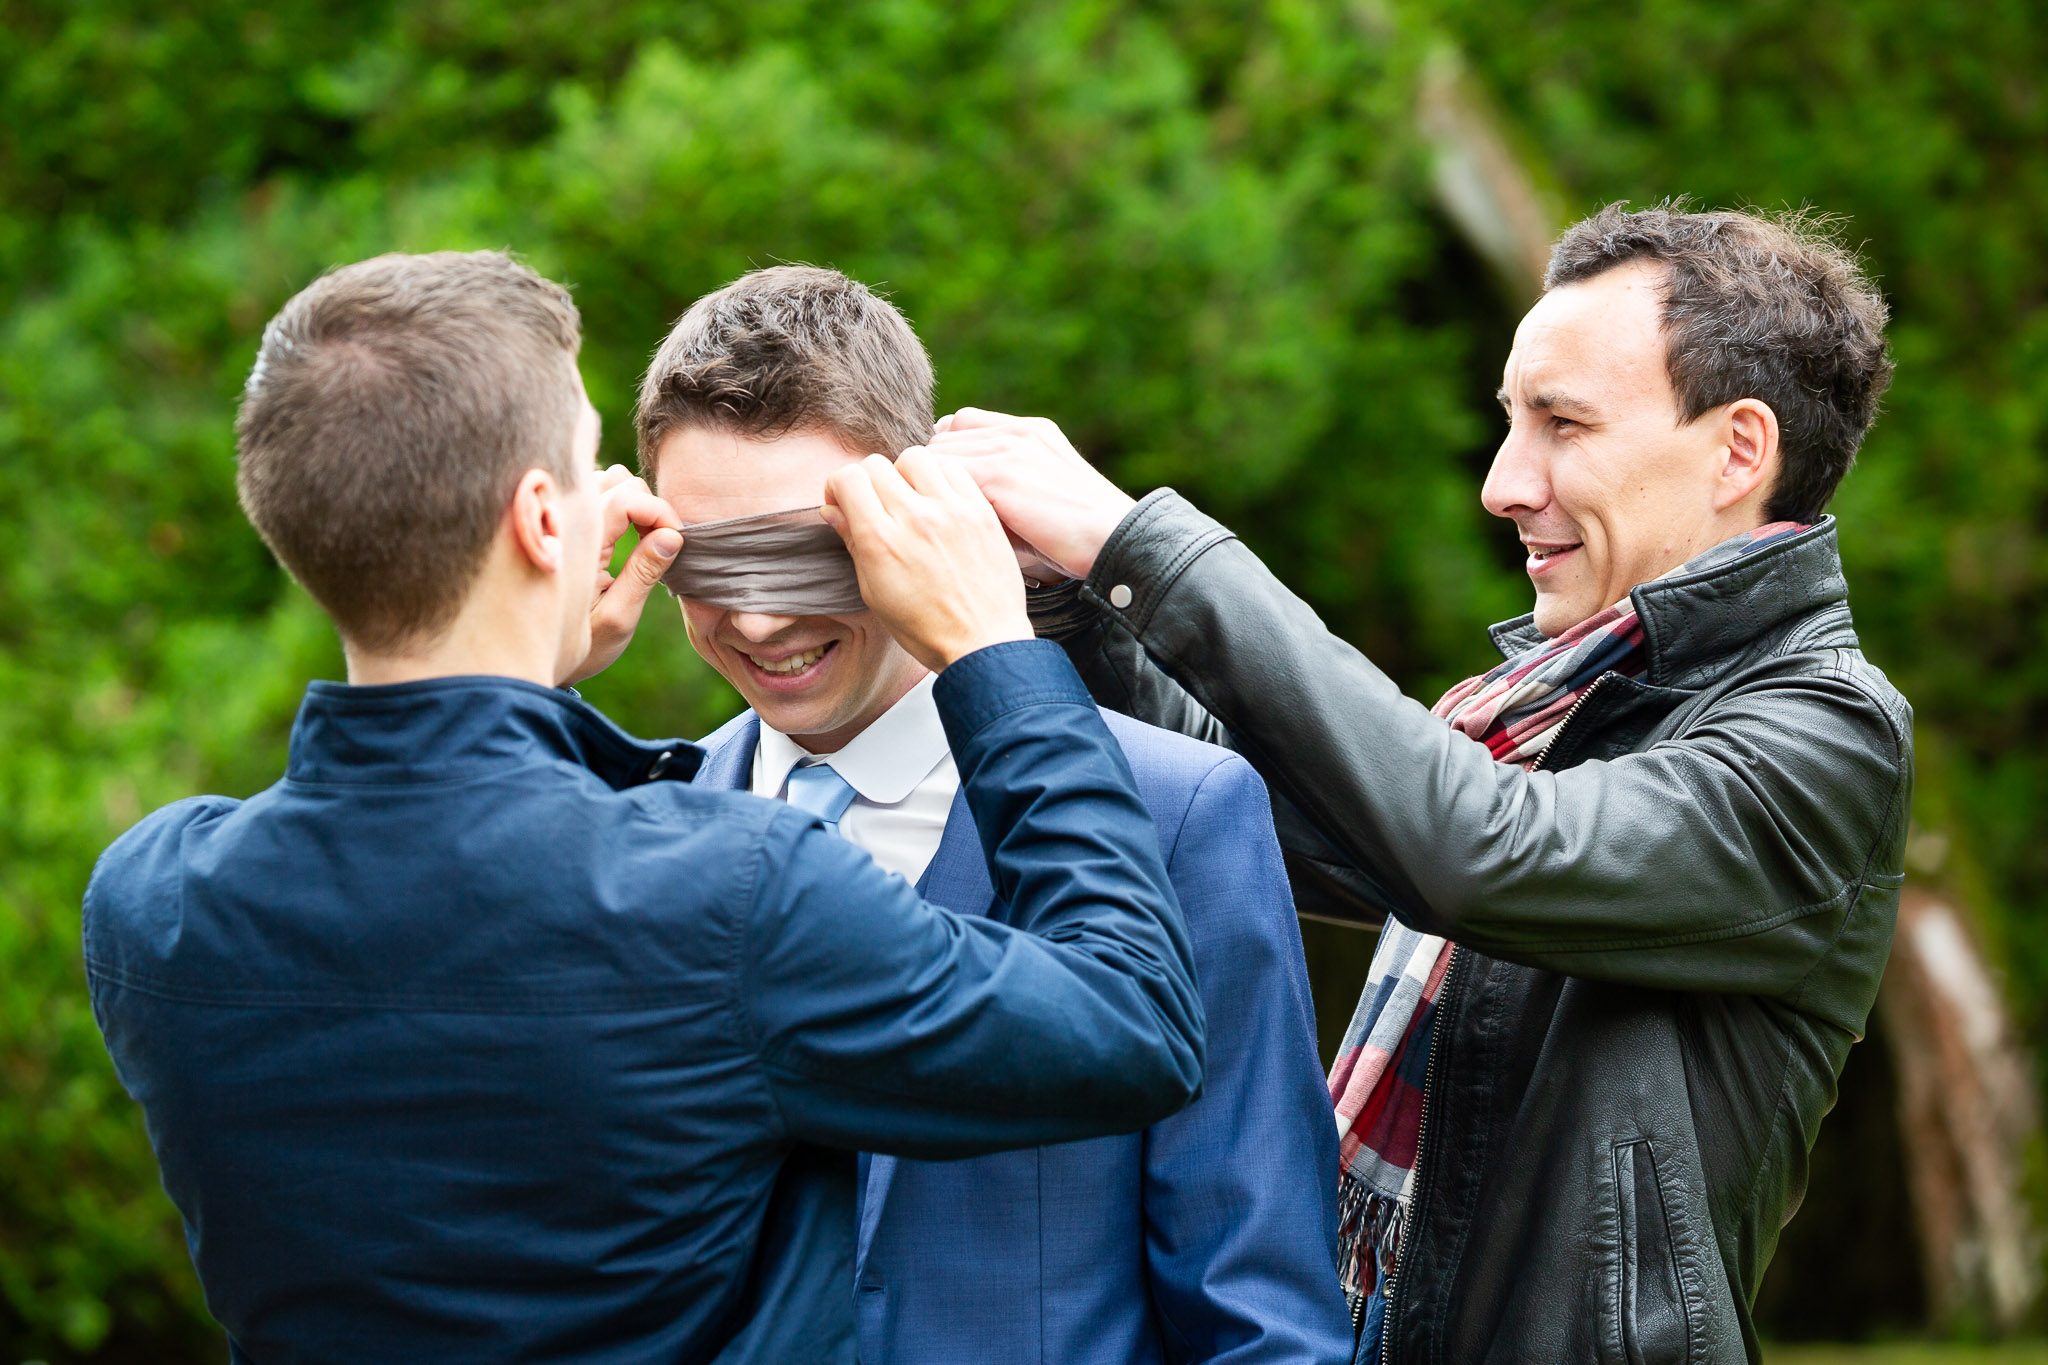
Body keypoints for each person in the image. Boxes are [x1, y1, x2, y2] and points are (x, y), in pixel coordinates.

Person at [81, 250, 1209, 1364]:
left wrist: (519, 672)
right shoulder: (731, 893)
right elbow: (1131, 1017)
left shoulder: (150, 905)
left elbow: (441, 875)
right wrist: (990, 646)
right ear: (539, 519)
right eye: (586, 467)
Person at [935, 203, 1913, 1364]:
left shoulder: (1827, 731)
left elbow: (1476, 850)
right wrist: (1065, 601)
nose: (1503, 483)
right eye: (1511, 423)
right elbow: (1252, 812)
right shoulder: (1553, 705)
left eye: (1561, 425)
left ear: (1736, 450)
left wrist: (1141, 546)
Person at [636, 265, 1352, 1364]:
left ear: (917, 517)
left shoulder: (1175, 816)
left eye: (803, 550)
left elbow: (1261, 1326)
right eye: (714, 560)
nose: (756, 613)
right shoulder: (624, 837)